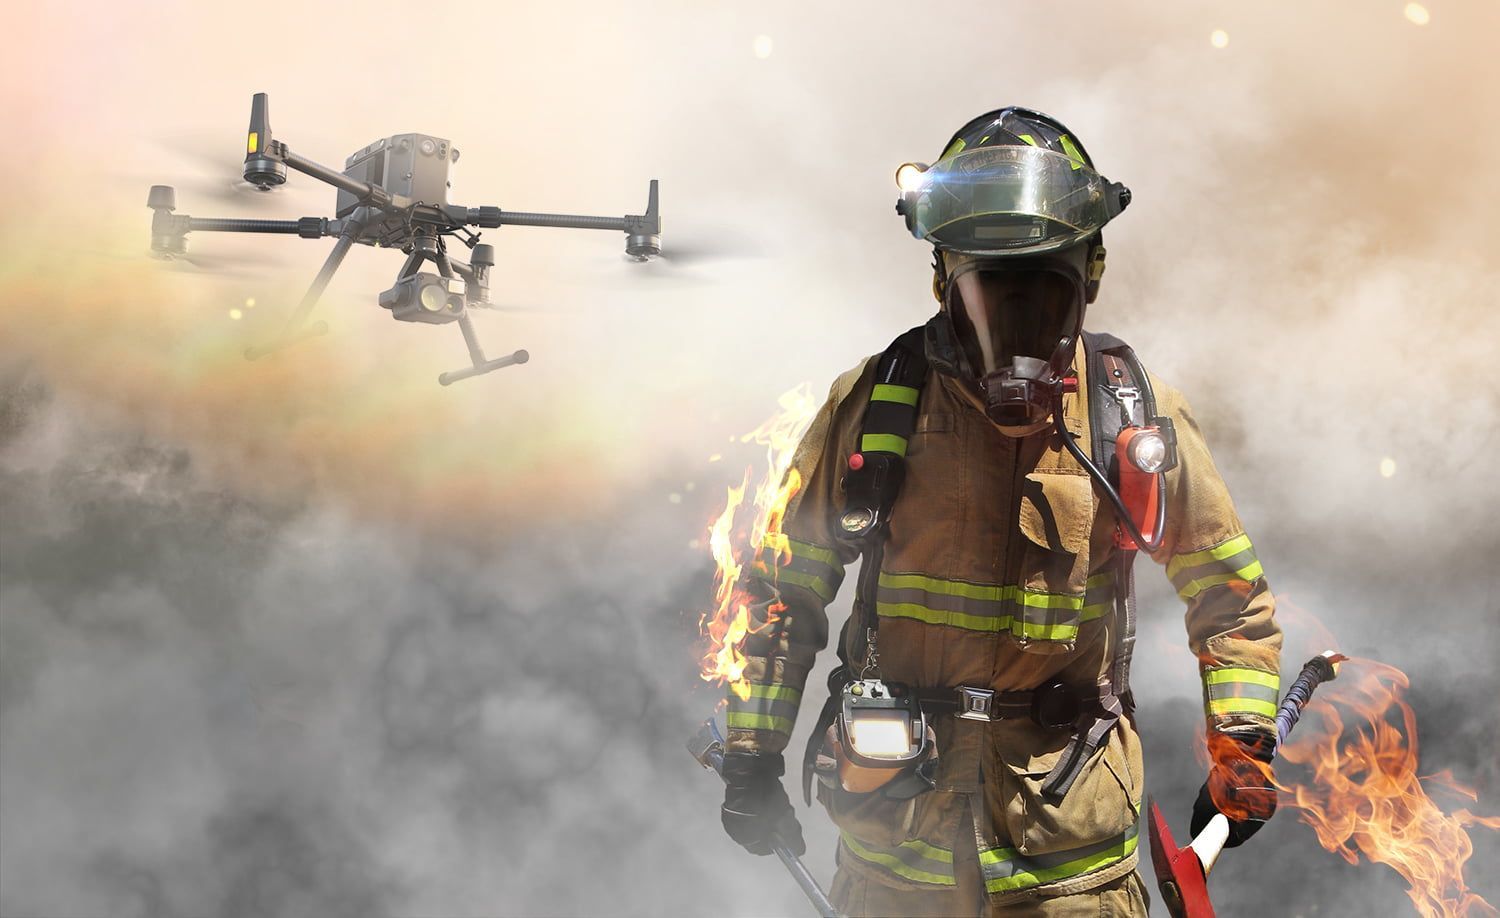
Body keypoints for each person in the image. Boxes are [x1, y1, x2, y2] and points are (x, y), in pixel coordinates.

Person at [718, 108, 1283, 916]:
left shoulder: (1133, 414)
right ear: (945, 278)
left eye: (1039, 290)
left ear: (1087, 276)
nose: (1014, 324)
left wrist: (1243, 742)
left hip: (1070, 863)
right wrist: (752, 752)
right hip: (897, 855)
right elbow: (783, 587)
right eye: (991, 287)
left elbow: (1230, 595)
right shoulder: (878, 403)